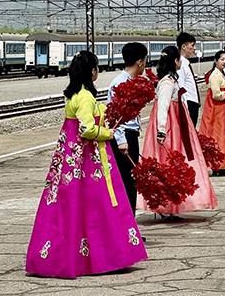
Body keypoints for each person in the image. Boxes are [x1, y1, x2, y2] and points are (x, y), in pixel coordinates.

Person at [26, 51, 147, 279]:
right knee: (98, 205)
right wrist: (108, 133)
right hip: (87, 162)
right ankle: (107, 255)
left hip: (70, 158)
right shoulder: (85, 97)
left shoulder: (74, 94)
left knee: (71, 205)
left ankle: (74, 255)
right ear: (92, 71)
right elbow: (87, 129)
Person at [142, 46, 217, 215]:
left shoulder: (170, 80)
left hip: (176, 123)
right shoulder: (167, 83)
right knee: (169, 161)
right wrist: (161, 130)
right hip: (171, 127)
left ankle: (173, 203)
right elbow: (163, 107)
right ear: (175, 61)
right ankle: (168, 204)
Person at [107, 42, 148, 215]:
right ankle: (127, 222)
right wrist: (121, 140)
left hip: (130, 135)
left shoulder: (130, 81)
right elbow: (114, 116)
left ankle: (130, 221)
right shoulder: (120, 83)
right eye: (145, 60)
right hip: (124, 138)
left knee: (130, 180)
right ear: (139, 61)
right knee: (126, 181)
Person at [176, 32, 201, 126]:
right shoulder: (180, 64)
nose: (194, 48)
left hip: (192, 104)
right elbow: (180, 88)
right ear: (183, 46)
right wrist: (185, 109)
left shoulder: (185, 63)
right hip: (188, 105)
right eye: (192, 45)